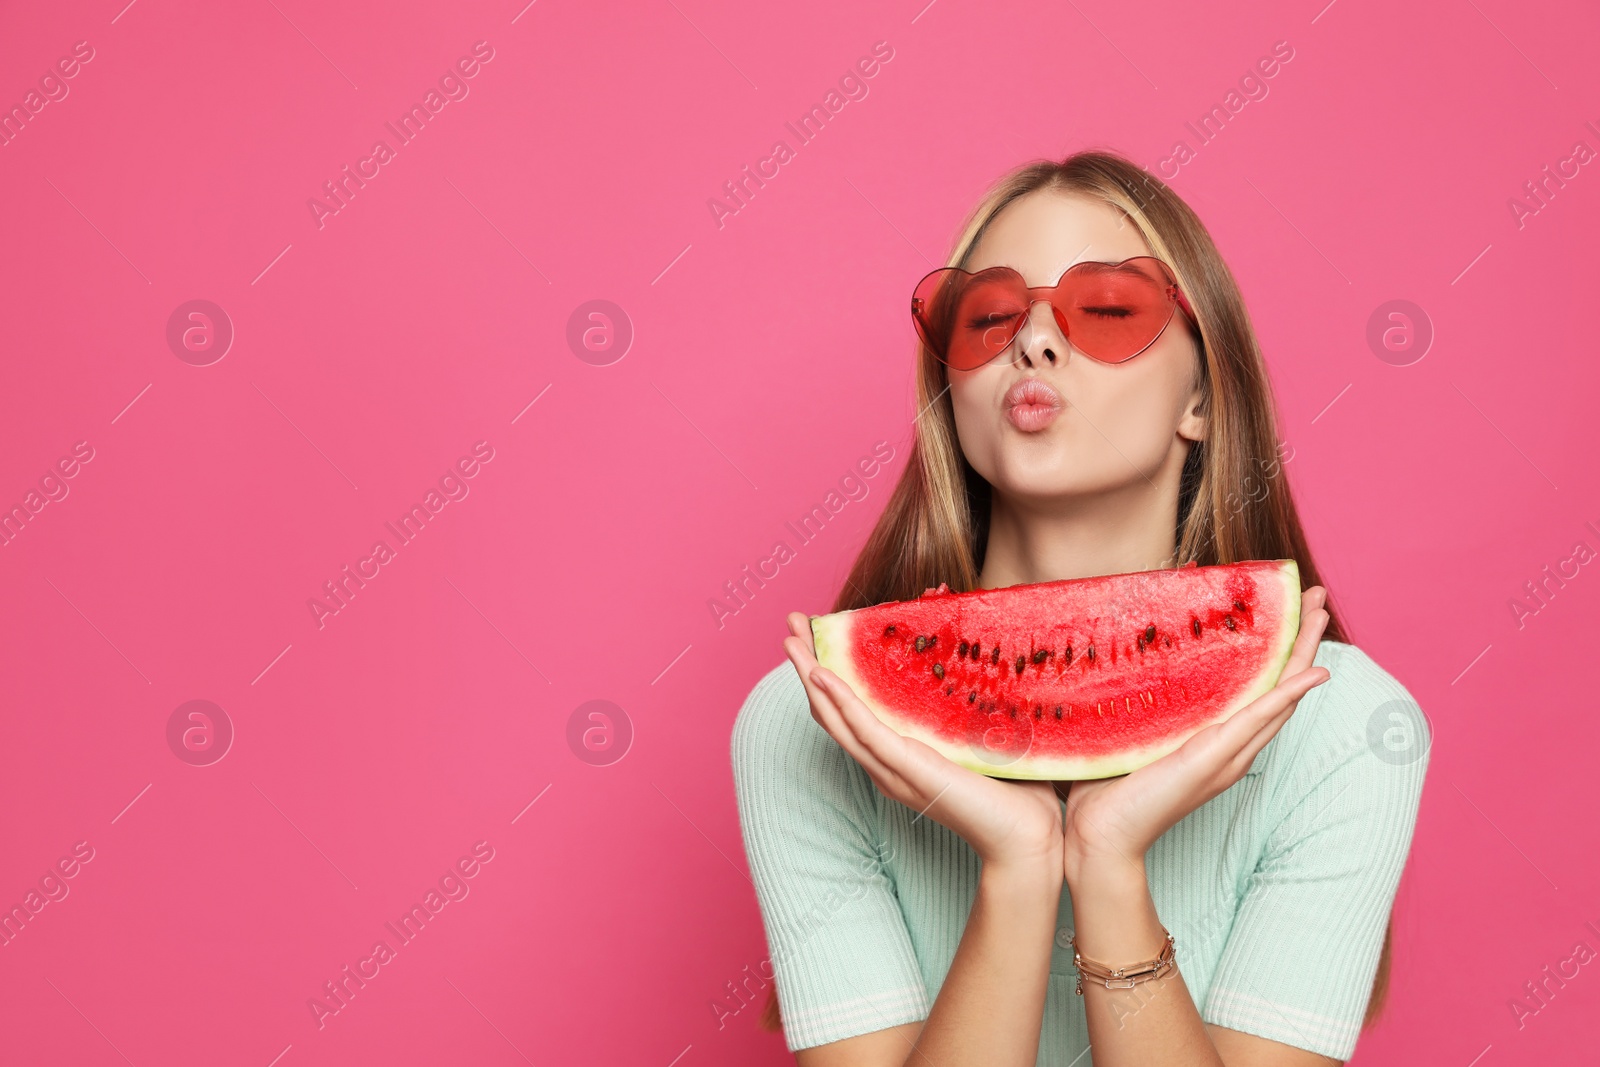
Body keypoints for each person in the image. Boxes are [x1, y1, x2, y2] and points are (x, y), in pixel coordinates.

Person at [729, 150, 1431, 1066]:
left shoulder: (1346, 727)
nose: (1034, 342)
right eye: (987, 317)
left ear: (1204, 400)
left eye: (1106, 310)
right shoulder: (807, 722)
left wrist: (1107, 861)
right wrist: (1019, 868)